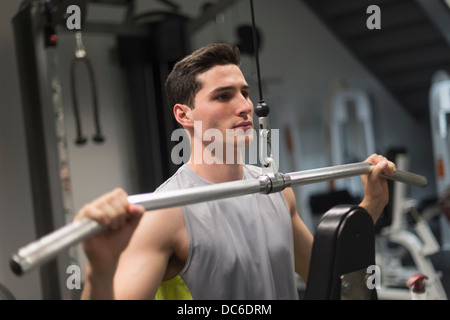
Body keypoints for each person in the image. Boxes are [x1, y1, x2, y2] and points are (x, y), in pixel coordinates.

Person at [76, 43, 396, 300]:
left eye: (244, 92)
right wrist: (99, 269)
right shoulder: (166, 212)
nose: (245, 106)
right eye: (223, 95)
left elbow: (328, 279)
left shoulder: (278, 190)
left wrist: (370, 208)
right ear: (184, 115)